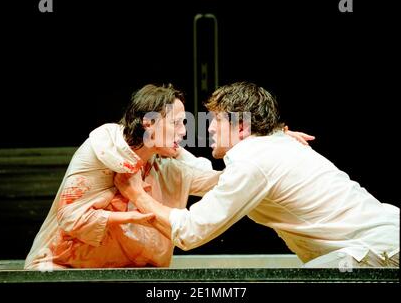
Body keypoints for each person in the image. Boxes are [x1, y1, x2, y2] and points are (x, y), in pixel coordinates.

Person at [115, 81, 399, 268]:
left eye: (215, 121)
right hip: (382, 243)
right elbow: (217, 183)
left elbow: (192, 231)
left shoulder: (253, 160)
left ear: (241, 127)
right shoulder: (271, 147)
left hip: (376, 250)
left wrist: (137, 194)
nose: (208, 129)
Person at [24, 84, 221, 269]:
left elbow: (217, 182)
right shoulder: (103, 150)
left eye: (184, 123)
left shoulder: (163, 165)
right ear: (149, 123)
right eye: (176, 123)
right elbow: (70, 217)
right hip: (63, 265)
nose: (184, 131)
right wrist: (131, 217)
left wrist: (178, 150)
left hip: (127, 270)